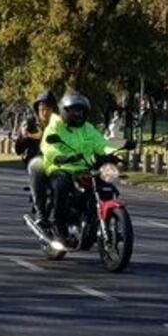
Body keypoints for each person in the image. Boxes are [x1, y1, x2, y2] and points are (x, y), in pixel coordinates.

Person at [40, 93, 119, 237]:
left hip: (86, 168)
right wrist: (60, 157)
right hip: (62, 168)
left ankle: (96, 219)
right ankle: (57, 222)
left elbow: (101, 144)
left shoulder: (88, 128)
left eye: (81, 111)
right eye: (75, 110)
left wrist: (114, 153)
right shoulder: (55, 126)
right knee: (61, 186)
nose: (78, 114)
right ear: (65, 110)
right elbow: (48, 147)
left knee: (107, 183)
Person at [20, 91, 58, 232]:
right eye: (41, 109)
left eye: (48, 108)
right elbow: (19, 148)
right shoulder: (31, 124)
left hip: (61, 161)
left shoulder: (60, 124)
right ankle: (42, 216)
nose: (45, 112)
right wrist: (24, 136)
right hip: (39, 161)